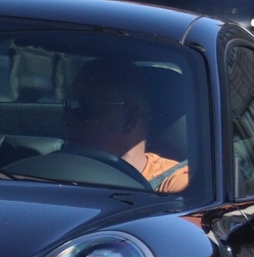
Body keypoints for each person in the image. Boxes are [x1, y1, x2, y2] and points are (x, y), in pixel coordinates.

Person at [64, 60, 189, 194]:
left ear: (129, 118)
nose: (67, 119)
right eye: (67, 105)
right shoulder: (53, 170)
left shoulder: (175, 183)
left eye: (83, 107)